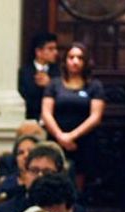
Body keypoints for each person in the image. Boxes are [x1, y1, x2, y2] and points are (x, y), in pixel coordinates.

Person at [41, 42, 105, 190]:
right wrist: (60, 136)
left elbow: (95, 116)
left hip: (83, 141)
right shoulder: (54, 84)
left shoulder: (94, 86)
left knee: (78, 184)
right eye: (71, 57)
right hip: (56, 140)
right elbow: (46, 113)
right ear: (65, 61)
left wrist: (72, 136)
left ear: (85, 61)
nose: (75, 61)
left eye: (80, 58)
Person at [18, 32, 60, 120]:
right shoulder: (24, 72)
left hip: (55, 119)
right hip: (30, 119)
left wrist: (50, 85)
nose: (55, 52)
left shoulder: (59, 72)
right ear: (38, 52)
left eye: (56, 48)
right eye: (51, 49)